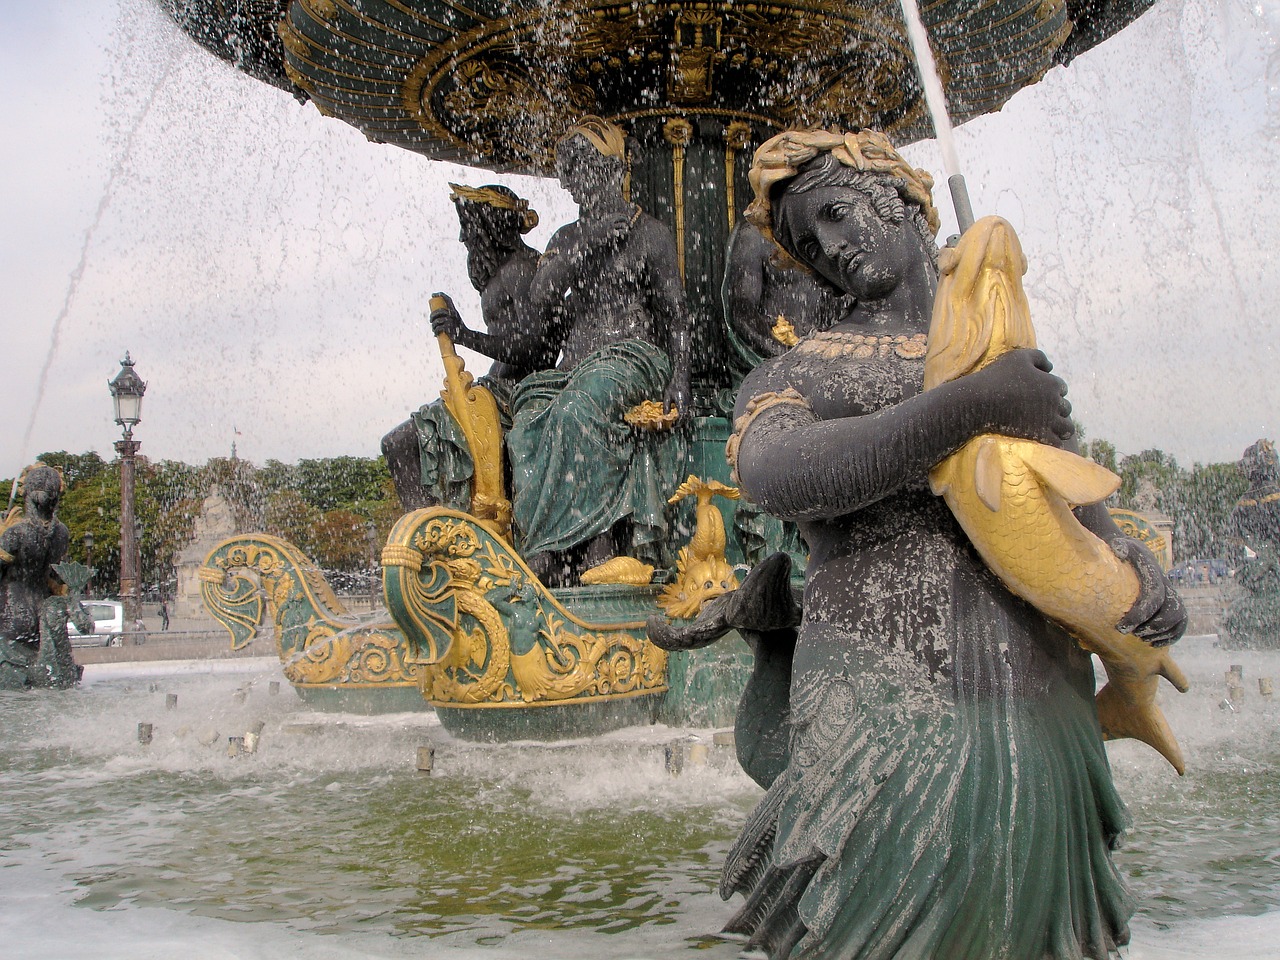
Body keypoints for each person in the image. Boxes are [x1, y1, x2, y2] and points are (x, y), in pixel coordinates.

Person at [720, 129, 1186, 959]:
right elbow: (778, 471)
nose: (827, 248)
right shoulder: (805, 372)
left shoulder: (1001, 346)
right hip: (884, 718)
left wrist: (1137, 579)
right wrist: (968, 406)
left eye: (834, 213)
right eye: (803, 242)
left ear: (900, 199)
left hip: (1040, 708)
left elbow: (1066, 491)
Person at [507, 116, 692, 583]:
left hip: (633, 357)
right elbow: (541, 296)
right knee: (526, 419)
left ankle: (599, 543)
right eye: (570, 169)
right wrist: (586, 246)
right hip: (575, 365)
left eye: (586, 166)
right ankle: (548, 543)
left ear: (614, 169)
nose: (576, 180)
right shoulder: (567, 239)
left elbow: (674, 315)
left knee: (579, 407)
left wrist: (680, 379)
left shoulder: (651, 234)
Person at [382, 183, 546, 512]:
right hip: (494, 388)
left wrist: (463, 334)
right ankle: (431, 530)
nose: (463, 239)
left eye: (469, 229)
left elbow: (533, 347)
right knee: (398, 444)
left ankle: (427, 534)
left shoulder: (521, 272)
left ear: (492, 228)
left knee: (400, 443)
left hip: (515, 392)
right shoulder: (507, 272)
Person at [0, 465, 70, 688]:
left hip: (11, 618)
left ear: (27, 493)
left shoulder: (16, 533)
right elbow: (57, 579)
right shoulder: (61, 534)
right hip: (42, 621)